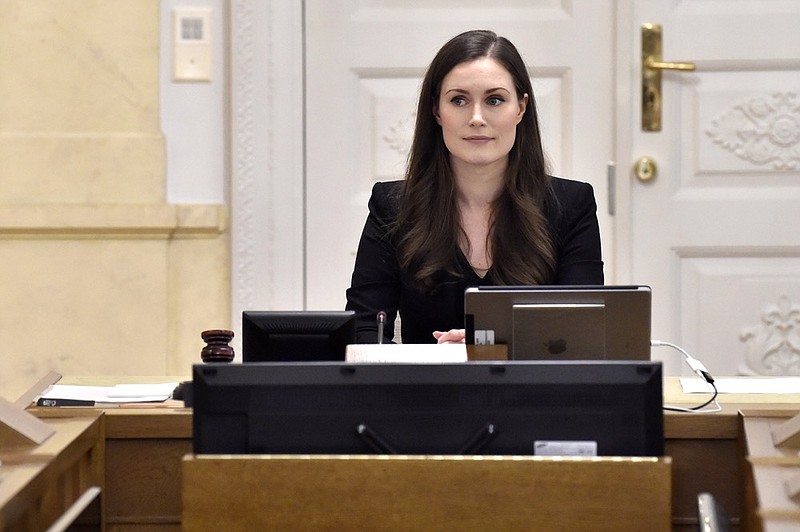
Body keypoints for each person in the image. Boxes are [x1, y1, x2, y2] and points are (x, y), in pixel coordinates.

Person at [346, 29, 603, 345]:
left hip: (531, 393)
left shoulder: (572, 204)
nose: (477, 118)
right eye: (459, 100)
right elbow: (365, 329)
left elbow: (583, 333)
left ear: (521, 108)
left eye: (495, 100)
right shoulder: (392, 205)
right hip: (426, 390)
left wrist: (491, 346)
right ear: (437, 111)